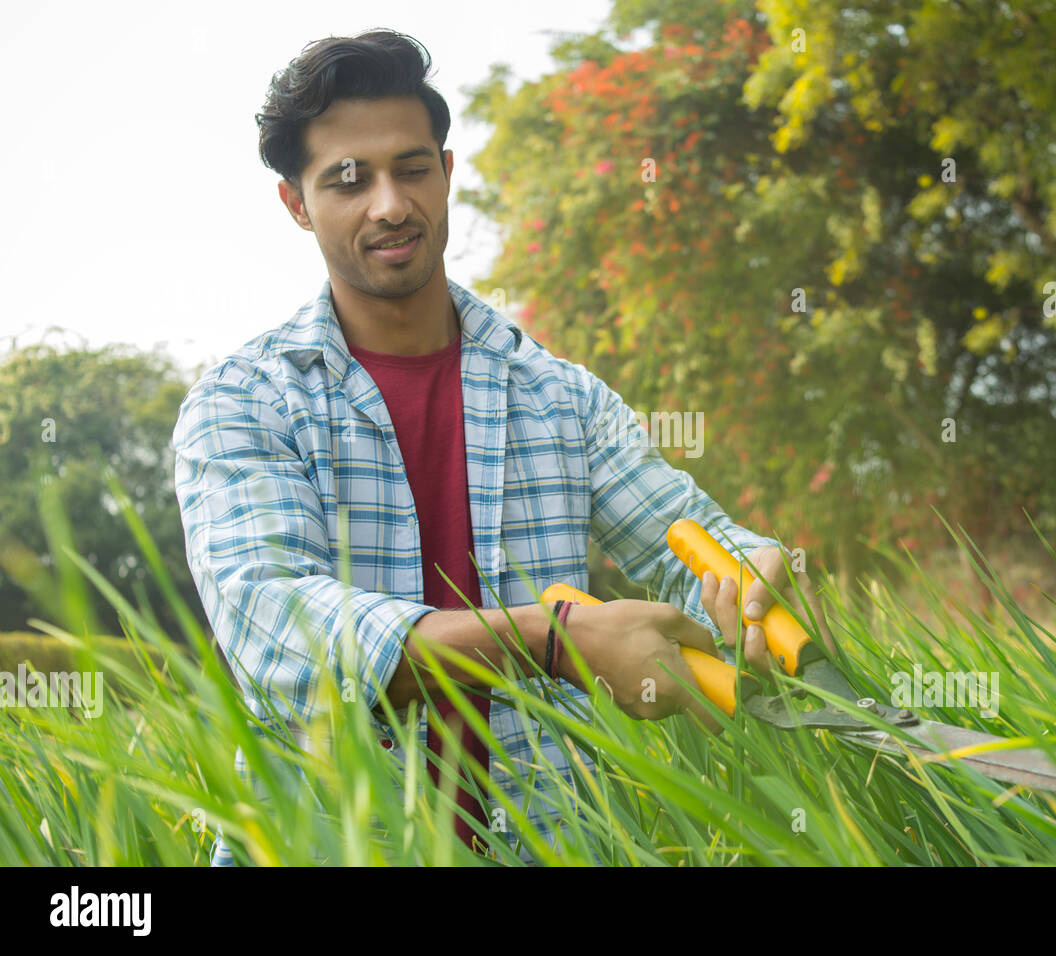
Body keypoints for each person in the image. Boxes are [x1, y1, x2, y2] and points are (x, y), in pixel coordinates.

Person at [172, 28, 827, 866]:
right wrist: (549, 641)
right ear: (297, 204)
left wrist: (753, 571)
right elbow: (278, 635)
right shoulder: (245, 401)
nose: (389, 204)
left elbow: (683, 541)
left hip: (554, 846)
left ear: (446, 173)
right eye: (347, 179)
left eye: (412, 169)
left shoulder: (561, 395)